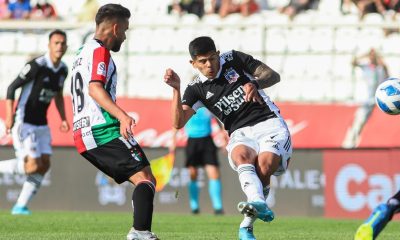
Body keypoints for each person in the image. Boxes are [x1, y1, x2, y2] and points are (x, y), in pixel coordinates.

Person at [164, 36, 292, 240]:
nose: (209, 65)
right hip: (239, 131)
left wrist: (255, 83)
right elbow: (178, 123)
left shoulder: (234, 59)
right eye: (203, 61)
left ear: (218, 53)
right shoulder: (196, 88)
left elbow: (272, 75)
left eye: (213, 58)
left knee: (265, 166)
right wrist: (176, 89)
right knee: (241, 156)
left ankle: (248, 220)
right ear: (193, 63)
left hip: (268, 122)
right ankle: (251, 220)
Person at [70, 4, 159, 240]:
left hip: (82, 133)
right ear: (116, 28)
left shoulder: (81, 52)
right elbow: (94, 88)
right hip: (102, 129)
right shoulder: (100, 52)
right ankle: (140, 232)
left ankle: (141, 231)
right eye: (125, 30)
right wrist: (122, 115)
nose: (125, 36)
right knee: (145, 178)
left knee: (144, 178)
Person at [0, 29, 69, 215]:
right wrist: (8, 116)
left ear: (66, 46)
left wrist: (63, 118)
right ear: (49, 45)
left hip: (42, 124)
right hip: (25, 121)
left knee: (44, 164)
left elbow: (58, 96)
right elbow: (11, 88)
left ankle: (20, 206)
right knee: (32, 166)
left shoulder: (63, 69)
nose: (59, 46)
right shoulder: (36, 66)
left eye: (63, 43)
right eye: (56, 43)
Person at [170, 107, 227, 214]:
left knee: (214, 173)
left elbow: (219, 120)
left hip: (207, 141)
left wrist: (224, 137)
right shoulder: (187, 104)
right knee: (193, 174)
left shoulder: (208, 103)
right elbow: (177, 122)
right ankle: (194, 206)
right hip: (192, 142)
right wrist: (173, 141)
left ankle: (218, 207)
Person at [342, 48, 389, 149]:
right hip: (368, 99)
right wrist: (364, 55)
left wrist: (379, 58)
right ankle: (351, 143)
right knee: (359, 120)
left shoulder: (381, 68)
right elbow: (353, 62)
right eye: (371, 55)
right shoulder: (366, 67)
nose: (372, 57)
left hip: (382, 98)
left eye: (374, 55)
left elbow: (387, 71)